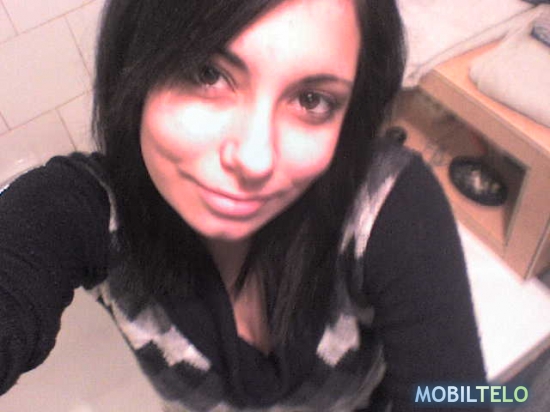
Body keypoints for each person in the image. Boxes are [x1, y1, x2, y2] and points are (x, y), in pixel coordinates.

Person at [0, 0, 490, 410]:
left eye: (312, 100)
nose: (256, 160)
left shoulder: (386, 204)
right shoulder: (91, 213)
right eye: (207, 73)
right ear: (134, 68)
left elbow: (457, 396)